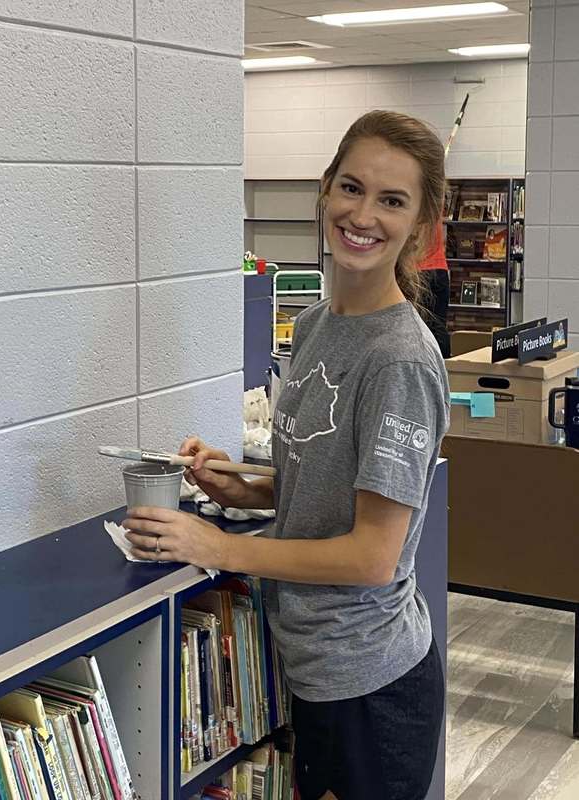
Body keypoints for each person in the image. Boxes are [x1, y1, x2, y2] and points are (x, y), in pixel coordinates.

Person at [124, 110, 450, 800]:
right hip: (310, 665)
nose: (363, 215)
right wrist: (245, 487)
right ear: (325, 191)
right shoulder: (312, 325)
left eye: (392, 201)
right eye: (351, 188)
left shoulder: (401, 360)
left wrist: (221, 544)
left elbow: (371, 556)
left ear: (419, 228)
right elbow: (327, 481)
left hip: (371, 683)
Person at [417, 222, 451, 357]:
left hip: (419, 270)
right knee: (439, 325)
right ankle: (446, 367)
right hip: (440, 268)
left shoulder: (413, 208)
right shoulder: (435, 205)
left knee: (418, 327)